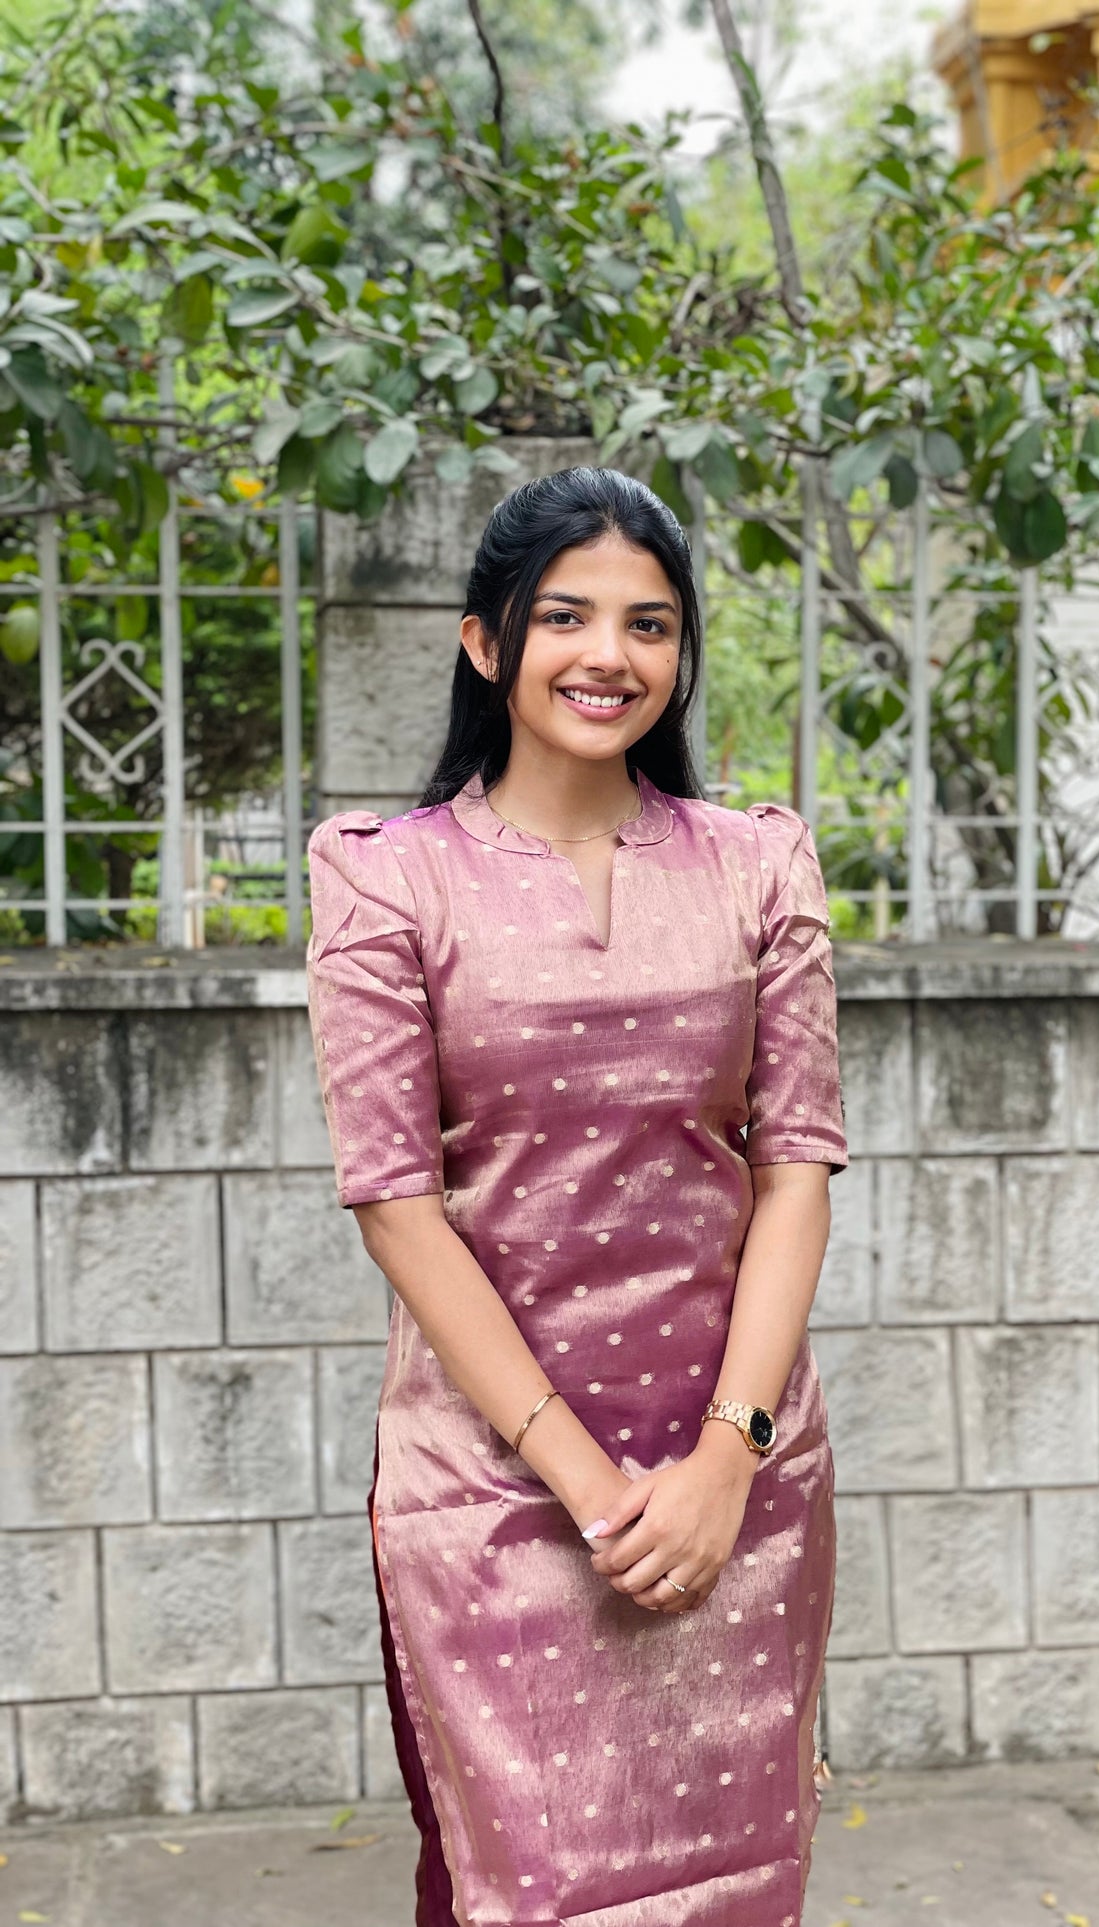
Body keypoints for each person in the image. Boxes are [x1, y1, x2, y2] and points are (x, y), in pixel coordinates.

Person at [304, 464, 849, 1927]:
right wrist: (588, 1484)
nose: (610, 656)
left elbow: (794, 1163)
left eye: (650, 625)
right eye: (565, 617)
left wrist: (726, 1459)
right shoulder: (386, 882)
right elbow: (393, 1200)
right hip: (492, 1487)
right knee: (514, 1889)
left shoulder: (758, 866)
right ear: (484, 642)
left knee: (733, 1883)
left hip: (736, 1476)